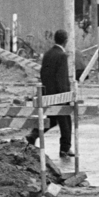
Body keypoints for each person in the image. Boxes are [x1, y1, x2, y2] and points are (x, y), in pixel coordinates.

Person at [27, 29, 73, 158]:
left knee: (52, 120)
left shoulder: (47, 54)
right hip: (59, 95)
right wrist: (66, 96)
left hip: (48, 93)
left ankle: (33, 135)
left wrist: (47, 90)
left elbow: (43, 73)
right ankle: (65, 148)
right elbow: (62, 77)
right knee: (65, 120)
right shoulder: (62, 56)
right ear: (66, 41)